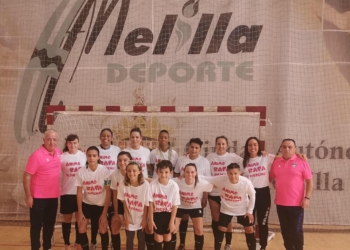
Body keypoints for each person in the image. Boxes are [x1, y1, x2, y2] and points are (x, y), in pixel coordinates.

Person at [269, 139, 313, 250]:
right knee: (285, 231)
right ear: (281, 148)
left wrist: (307, 198)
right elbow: (269, 178)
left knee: (296, 231)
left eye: (290, 147)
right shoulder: (276, 162)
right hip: (280, 204)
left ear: (295, 149)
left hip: (297, 205)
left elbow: (309, 181)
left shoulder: (302, 161)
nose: (287, 149)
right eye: (284, 146)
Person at [202, 163, 256, 250]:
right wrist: (193, 175)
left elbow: (253, 195)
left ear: (239, 173)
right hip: (226, 209)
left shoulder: (246, 182)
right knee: (221, 228)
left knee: (249, 230)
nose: (233, 176)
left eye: (235, 173)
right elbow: (206, 178)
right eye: (230, 173)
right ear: (227, 172)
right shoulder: (221, 179)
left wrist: (250, 211)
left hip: (242, 209)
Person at [23, 129, 61, 250]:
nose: (51, 142)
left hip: (53, 197)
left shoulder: (59, 153)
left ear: (57, 141)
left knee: (49, 225)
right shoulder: (36, 156)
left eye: (54, 139)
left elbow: (71, 153)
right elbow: (27, 176)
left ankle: (47, 247)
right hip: (38, 198)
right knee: (36, 226)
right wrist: (28, 196)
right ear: (43, 140)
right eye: (48, 139)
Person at [206, 136, 243, 250]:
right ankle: (218, 242)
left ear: (227, 145)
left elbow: (248, 160)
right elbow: (204, 169)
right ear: (215, 145)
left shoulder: (233, 157)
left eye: (223, 144)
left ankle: (228, 243)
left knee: (226, 219)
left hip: (227, 193)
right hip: (214, 192)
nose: (221, 146)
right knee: (215, 218)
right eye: (218, 144)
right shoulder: (210, 157)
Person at [174, 138, 211, 250]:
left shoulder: (204, 162)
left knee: (198, 227)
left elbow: (207, 181)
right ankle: (182, 244)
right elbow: (176, 176)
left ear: (200, 149)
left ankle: (197, 246)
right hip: (182, 199)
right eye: (192, 147)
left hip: (196, 200)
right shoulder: (181, 159)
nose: (193, 149)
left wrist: (205, 197)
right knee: (183, 220)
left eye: (196, 147)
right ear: (188, 147)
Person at [76, 146, 111, 250]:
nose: (91, 158)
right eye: (89, 155)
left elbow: (108, 193)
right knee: (81, 227)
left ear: (98, 157)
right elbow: (78, 193)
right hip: (87, 204)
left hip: (101, 205)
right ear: (86, 157)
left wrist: (104, 213)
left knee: (103, 229)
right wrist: (80, 212)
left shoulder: (105, 171)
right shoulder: (80, 172)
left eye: (94, 156)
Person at [242, 137, 274, 250]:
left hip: (263, 194)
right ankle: (251, 247)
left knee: (263, 223)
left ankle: (263, 246)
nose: (253, 147)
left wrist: (299, 155)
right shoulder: (242, 161)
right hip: (249, 195)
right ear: (247, 147)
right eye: (250, 145)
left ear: (259, 146)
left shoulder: (265, 157)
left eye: (255, 144)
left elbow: (284, 157)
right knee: (249, 223)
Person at [60, 134, 86, 250]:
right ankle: (66, 244)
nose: (73, 145)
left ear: (78, 143)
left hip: (80, 192)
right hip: (66, 192)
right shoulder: (62, 157)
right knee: (67, 219)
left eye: (75, 143)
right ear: (67, 144)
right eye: (70, 143)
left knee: (79, 218)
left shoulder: (84, 156)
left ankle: (78, 242)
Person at [97, 128, 121, 248]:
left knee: (114, 220)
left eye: (108, 136)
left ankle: (114, 243)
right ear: (99, 137)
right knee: (103, 222)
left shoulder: (117, 150)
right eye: (103, 136)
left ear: (111, 138)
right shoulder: (96, 150)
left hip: (115, 184)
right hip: (102, 185)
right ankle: (104, 245)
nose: (105, 138)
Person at [148, 160, 181, 250]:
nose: (163, 174)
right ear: (156, 172)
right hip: (157, 214)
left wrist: (172, 222)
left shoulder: (174, 186)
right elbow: (150, 203)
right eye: (161, 172)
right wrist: (151, 220)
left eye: (166, 172)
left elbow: (175, 205)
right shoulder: (152, 184)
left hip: (169, 214)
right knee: (158, 238)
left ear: (171, 173)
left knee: (167, 237)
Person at [117, 161, 150, 250]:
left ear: (139, 171)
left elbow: (147, 204)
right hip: (130, 215)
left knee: (141, 239)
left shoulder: (145, 185)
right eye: (129, 171)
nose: (131, 173)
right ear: (126, 172)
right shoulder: (122, 183)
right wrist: (126, 218)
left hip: (142, 216)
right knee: (129, 238)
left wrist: (144, 219)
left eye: (134, 171)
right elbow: (124, 202)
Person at [110, 151, 132, 250]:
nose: (122, 162)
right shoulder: (114, 174)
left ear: (130, 161)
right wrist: (116, 212)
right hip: (119, 203)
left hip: (132, 203)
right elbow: (114, 195)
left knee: (129, 229)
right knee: (114, 228)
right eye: (119, 160)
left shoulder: (134, 173)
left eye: (125, 160)